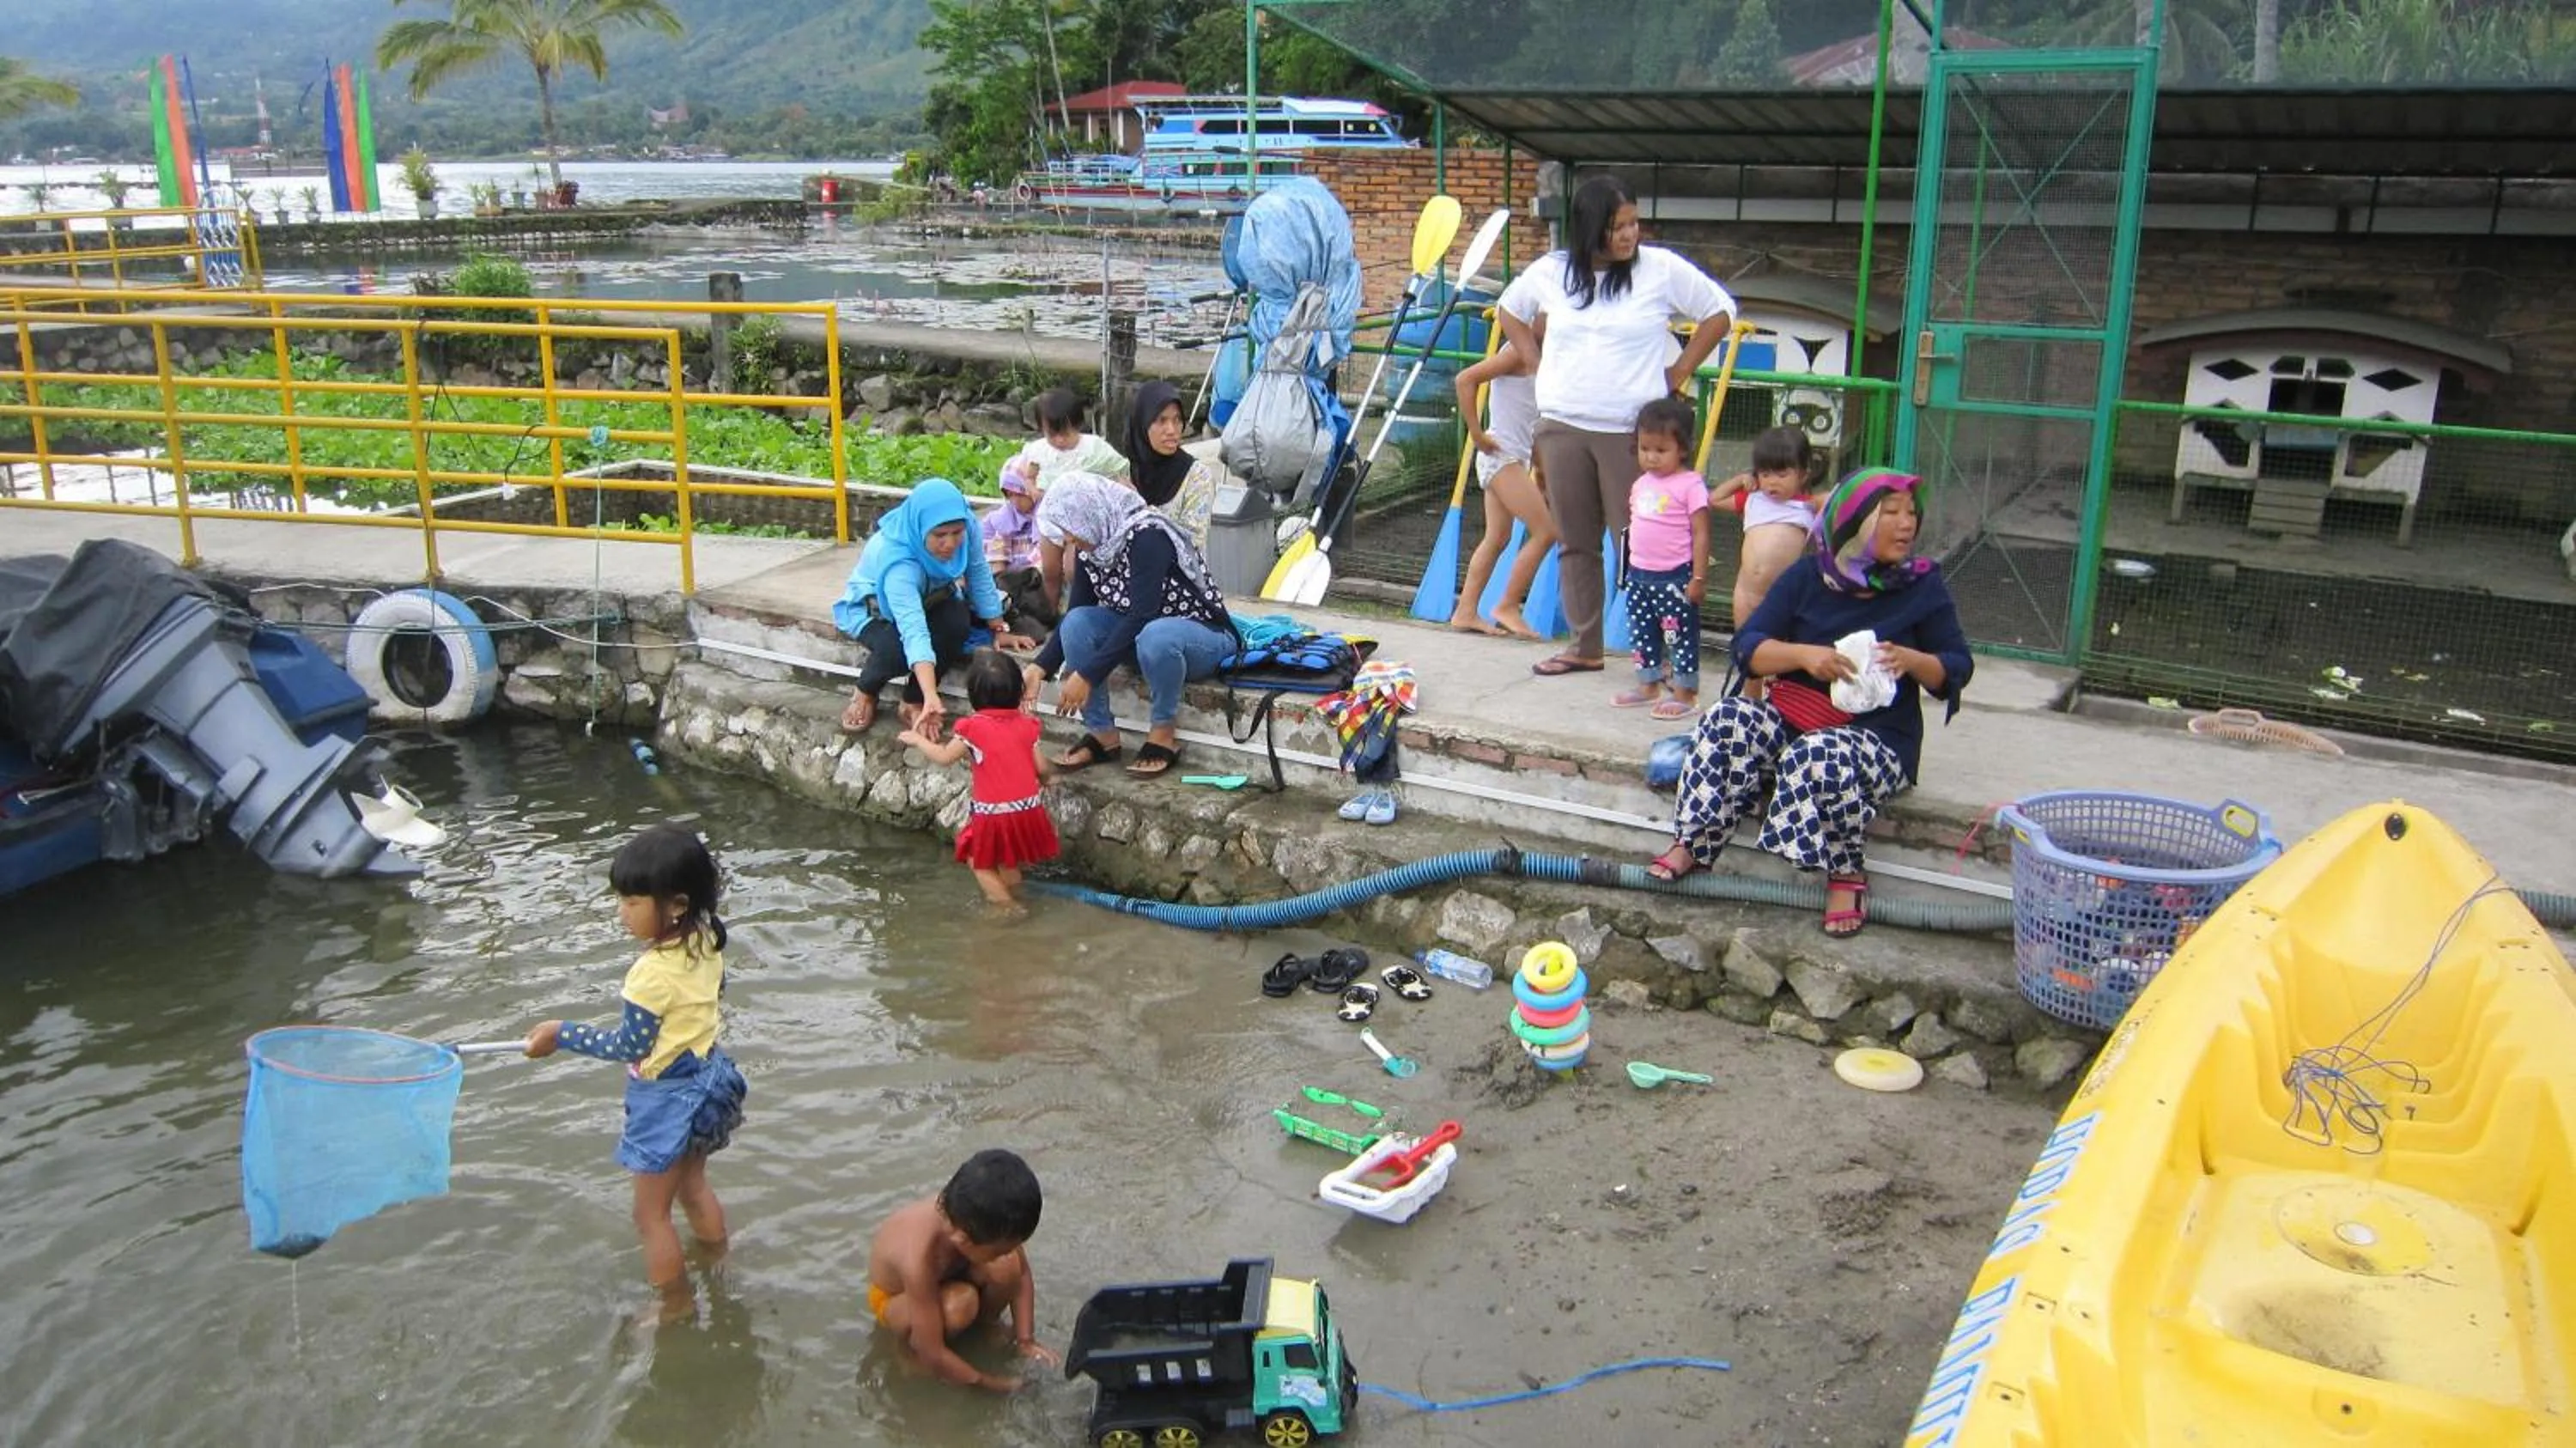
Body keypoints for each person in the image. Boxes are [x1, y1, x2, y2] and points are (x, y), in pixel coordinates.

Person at [1647, 470, 1972, 939]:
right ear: (1853, 521)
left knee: (1818, 754)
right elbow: (1748, 646)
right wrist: (1804, 656)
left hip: (1877, 739)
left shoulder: (1923, 587)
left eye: (1911, 514)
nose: (1907, 525)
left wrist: (1914, 661)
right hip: (1796, 722)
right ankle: (1696, 842)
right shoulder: (1807, 577)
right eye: (1891, 514)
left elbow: (1956, 666)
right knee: (1727, 719)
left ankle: (1846, 873)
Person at [1496, 174, 1737, 678]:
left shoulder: (1660, 270)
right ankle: (1585, 646)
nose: (1630, 235)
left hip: (1633, 435)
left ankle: (1665, 654)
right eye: (1617, 226)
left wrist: (1679, 371)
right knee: (1575, 540)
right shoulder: (1553, 271)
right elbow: (1509, 310)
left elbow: (1719, 313)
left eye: (1633, 224)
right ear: (1589, 229)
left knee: (1646, 545)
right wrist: (1535, 360)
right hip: (1562, 426)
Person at [522, 824, 747, 1300]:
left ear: (677, 905)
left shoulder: (649, 975)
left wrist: (562, 1034)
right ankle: (718, 1263)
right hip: (709, 1080)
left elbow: (629, 1047)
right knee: (693, 1187)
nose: (620, 914)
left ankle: (673, 1309)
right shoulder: (706, 940)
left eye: (632, 902)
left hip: (667, 1099)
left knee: (650, 1217)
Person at [1024, 474, 1239, 779]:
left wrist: (1086, 674)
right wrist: (1038, 669)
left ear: (1092, 514)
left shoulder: (1148, 536)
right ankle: (1102, 735)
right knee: (1077, 623)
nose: (1071, 541)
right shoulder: (1095, 544)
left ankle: (1163, 731)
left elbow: (1142, 615)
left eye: (1072, 531)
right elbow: (1078, 612)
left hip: (1201, 639)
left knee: (1156, 634)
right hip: (1143, 643)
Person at [833, 479, 1019, 737]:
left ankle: (911, 700)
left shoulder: (965, 523)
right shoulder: (900, 564)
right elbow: (914, 631)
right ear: (921, 530)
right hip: (877, 611)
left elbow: (977, 571)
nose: (951, 543)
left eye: (956, 533)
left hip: (933, 597)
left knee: (957, 622)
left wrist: (997, 625)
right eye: (939, 536)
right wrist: (932, 695)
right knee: (900, 648)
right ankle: (866, 689)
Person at [866, 1147, 1054, 1392]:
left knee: (1008, 1266)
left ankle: (984, 1325)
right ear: (963, 1240)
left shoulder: (982, 1214)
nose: (1010, 1252)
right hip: (898, 1299)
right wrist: (994, 1384)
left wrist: (1026, 1340)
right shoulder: (918, 1258)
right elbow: (931, 1351)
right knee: (959, 1306)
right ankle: (907, 1356)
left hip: (953, 1274)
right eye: (999, 1249)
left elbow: (1021, 1273)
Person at [896, 650, 1059, 910]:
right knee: (1008, 860)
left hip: (994, 814)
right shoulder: (1029, 725)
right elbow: (1041, 767)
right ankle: (1020, 896)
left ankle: (1008, 907)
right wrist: (1048, 780)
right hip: (1028, 809)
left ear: (973, 695)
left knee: (976, 857)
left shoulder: (973, 727)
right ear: (1018, 690)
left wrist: (917, 740)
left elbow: (944, 757)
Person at [1447, 337, 1558, 639]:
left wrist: (1541, 472)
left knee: (1498, 537)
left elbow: (1534, 421)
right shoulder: (1516, 352)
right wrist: (1477, 433)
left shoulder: (1543, 355)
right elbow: (1465, 379)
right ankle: (1507, 606)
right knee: (1547, 531)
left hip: (1513, 457)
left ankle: (1465, 611)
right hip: (1500, 454)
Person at [1613, 396, 1710, 721]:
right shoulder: (1641, 484)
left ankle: (1686, 693)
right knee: (1642, 632)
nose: (1651, 457)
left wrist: (1698, 578)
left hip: (1675, 577)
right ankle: (1647, 685)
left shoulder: (1690, 484)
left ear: (1683, 448)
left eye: (1660, 450)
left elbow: (1701, 534)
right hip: (1640, 574)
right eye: (1644, 448)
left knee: (1679, 634)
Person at [1709, 425, 1826, 635]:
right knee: (1746, 648)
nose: (1772, 482)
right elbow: (1715, 499)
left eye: (1782, 475)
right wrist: (1741, 479)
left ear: (1803, 475)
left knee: (1775, 651)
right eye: (1765, 474)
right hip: (1745, 593)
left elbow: (1836, 500)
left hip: (1783, 596)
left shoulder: (1808, 505)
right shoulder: (1753, 499)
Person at [1120, 378, 1218, 554]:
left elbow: (1191, 543)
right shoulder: (1124, 472)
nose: (1172, 430)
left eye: (1177, 419)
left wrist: (1140, 508)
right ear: (1142, 423)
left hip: (1178, 577)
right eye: (1161, 421)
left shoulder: (1197, 477)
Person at [1003, 388, 1127, 497]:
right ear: (1042, 429)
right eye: (1052, 435)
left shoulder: (1094, 448)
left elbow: (1119, 470)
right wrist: (1033, 490)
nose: (1059, 440)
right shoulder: (1038, 450)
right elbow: (1029, 477)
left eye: (1065, 434)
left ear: (1078, 425)